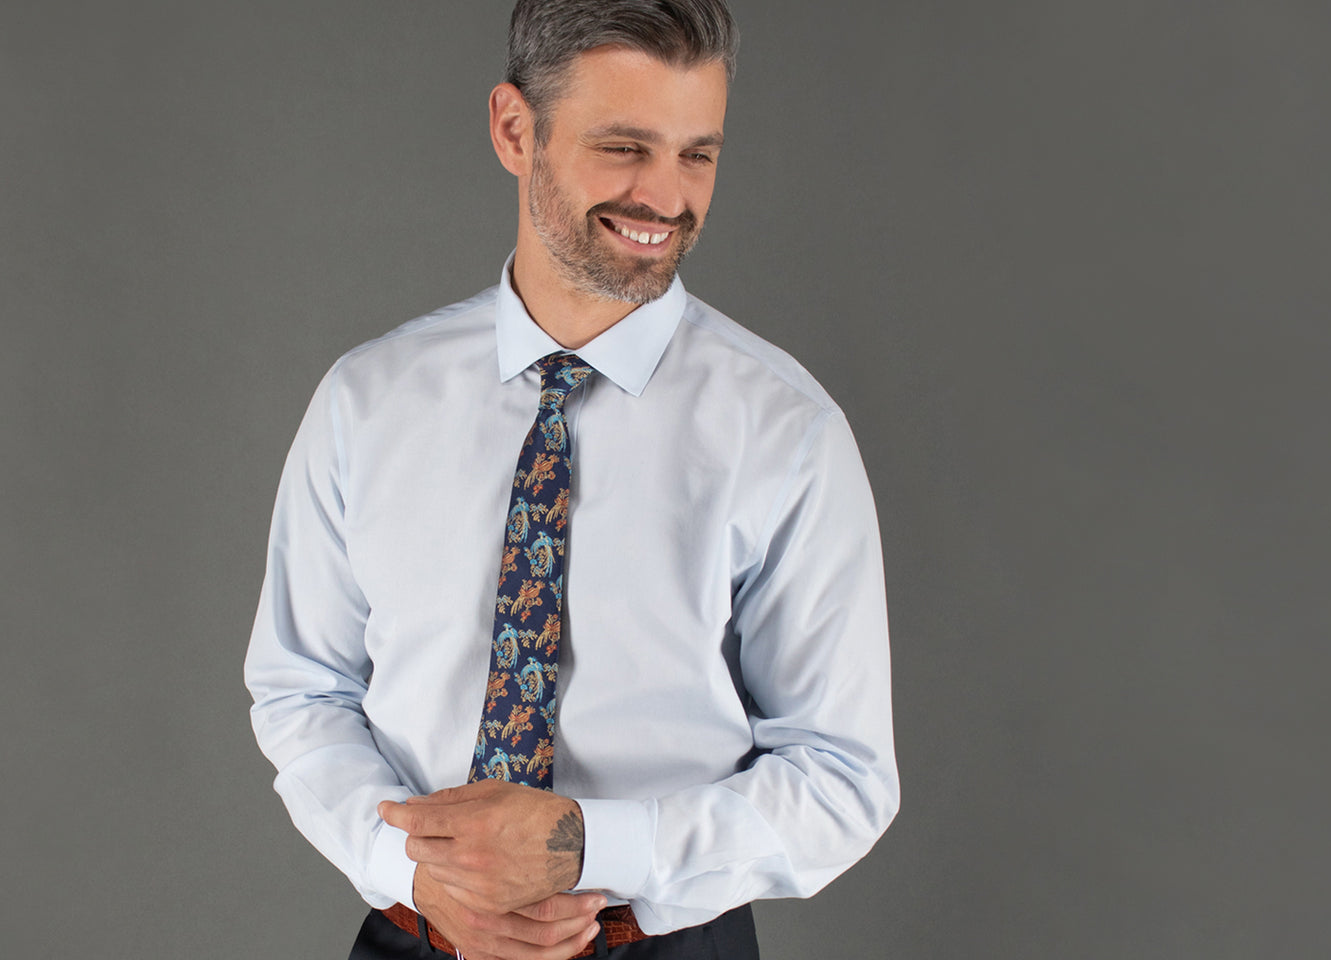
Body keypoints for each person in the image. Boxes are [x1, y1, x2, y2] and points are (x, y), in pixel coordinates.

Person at [241, 2, 897, 958]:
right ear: (516, 129)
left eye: (696, 154)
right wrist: (420, 874)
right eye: (625, 146)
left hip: (665, 945)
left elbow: (843, 777)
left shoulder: (785, 432)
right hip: (414, 935)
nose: (666, 197)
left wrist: (585, 847)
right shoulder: (368, 400)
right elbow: (303, 690)